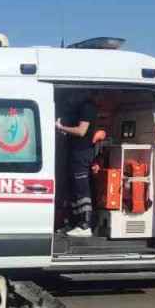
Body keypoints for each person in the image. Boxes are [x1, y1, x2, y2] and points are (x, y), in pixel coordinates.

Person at [56, 90, 102, 237]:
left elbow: (82, 131)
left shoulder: (87, 108)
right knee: (73, 190)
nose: (72, 97)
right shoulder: (79, 108)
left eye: (74, 94)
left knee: (81, 190)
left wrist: (61, 128)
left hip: (82, 153)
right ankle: (74, 222)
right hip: (75, 153)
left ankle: (85, 225)